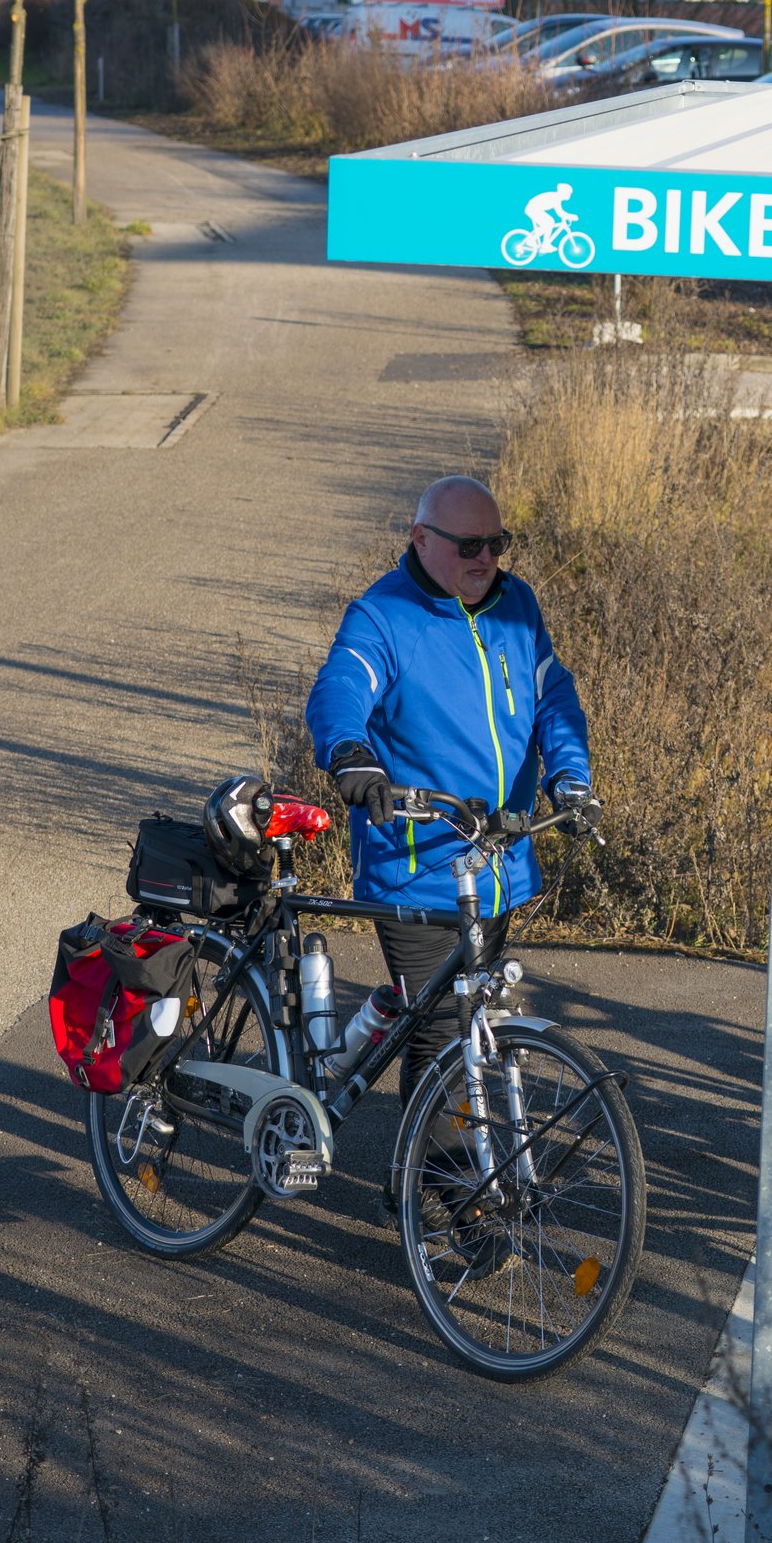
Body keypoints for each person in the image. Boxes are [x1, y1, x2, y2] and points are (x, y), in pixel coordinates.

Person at [305, 474, 597, 1115]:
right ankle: (439, 1177)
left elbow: (552, 697)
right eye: (469, 546)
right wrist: (351, 754)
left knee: (474, 1020)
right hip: (418, 869)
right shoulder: (384, 615)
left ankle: (433, 1156)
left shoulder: (516, 605)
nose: (486, 559)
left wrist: (569, 775)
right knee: (443, 1036)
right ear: (421, 539)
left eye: (497, 543)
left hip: (495, 862)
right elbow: (341, 687)